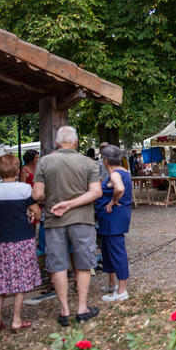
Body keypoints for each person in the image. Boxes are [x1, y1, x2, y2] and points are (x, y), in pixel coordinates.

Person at [32, 126, 102, 326]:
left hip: (54, 220)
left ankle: (64, 310)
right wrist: (71, 203)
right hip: (82, 219)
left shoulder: (45, 162)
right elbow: (96, 192)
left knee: (58, 265)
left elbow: (37, 195)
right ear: (76, 142)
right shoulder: (88, 163)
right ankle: (82, 308)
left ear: (56, 143)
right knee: (83, 263)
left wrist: (56, 198)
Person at [0, 154, 42, 332]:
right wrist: (33, 213)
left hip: (2, 239)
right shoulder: (24, 189)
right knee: (21, 278)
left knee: (1, 278)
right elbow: (36, 211)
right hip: (22, 238)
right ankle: (16, 319)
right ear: (17, 170)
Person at [95, 145, 132, 302]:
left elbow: (120, 188)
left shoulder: (116, 174)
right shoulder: (124, 171)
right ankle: (112, 284)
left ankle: (122, 289)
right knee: (108, 250)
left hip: (114, 218)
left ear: (105, 161)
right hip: (111, 219)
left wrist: (113, 201)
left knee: (117, 252)